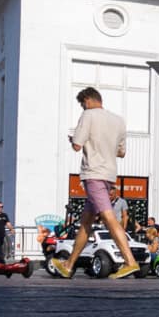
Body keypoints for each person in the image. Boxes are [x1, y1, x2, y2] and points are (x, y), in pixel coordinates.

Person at [52, 88, 142, 279]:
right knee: (86, 222)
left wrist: (75, 140)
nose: (82, 107)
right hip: (109, 174)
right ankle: (68, 265)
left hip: (94, 173)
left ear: (88, 100)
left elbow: (77, 145)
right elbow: (121, 152)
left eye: (82, 103)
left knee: (108, 217)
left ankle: (130, 261)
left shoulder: (88, 115)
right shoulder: (118, 120)